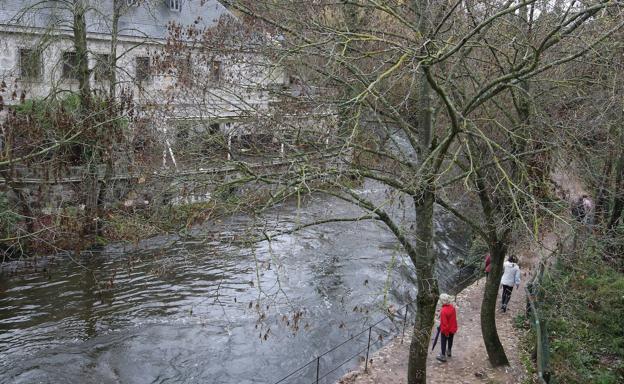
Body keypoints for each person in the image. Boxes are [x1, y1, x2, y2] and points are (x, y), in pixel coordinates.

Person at [436, 293, 458, 362]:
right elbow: (453, 318)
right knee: (450, 340)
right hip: (452, 328)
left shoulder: (443, 311)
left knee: (443, 341)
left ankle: (442, 356)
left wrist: (446, 333)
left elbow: (444, 324)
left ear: (442, 301)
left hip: (446, 330)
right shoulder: (452, 307)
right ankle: (449, 351)